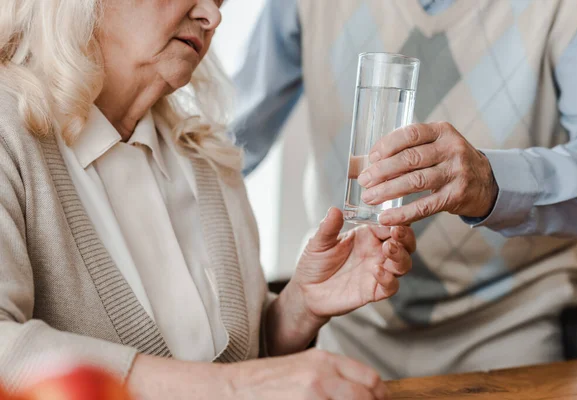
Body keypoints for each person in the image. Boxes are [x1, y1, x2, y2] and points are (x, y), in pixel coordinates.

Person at [0, 1, 419, 399]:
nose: (213, 15)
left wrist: (297, 309)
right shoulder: (9, 134)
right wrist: (234, 389)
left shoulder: (206, 156)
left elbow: (244, 359)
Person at [232, 0, 577, 378]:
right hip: (346, 328)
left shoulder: (576, 8)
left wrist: (491, 181)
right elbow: (223, 138)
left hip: (513, 333)